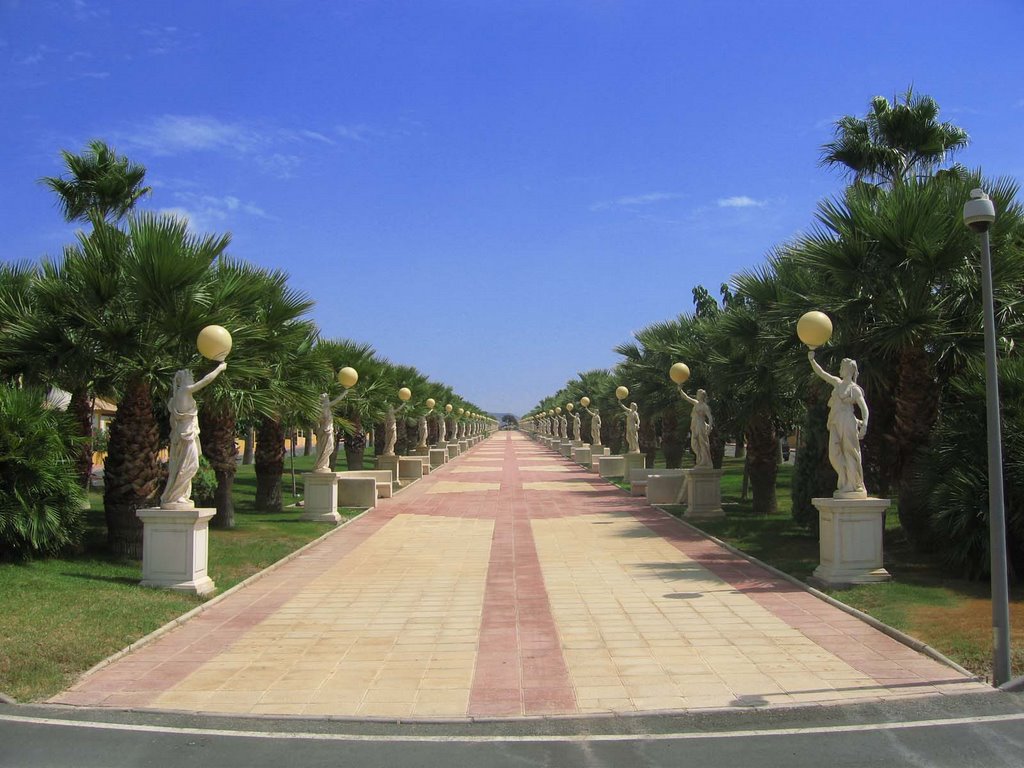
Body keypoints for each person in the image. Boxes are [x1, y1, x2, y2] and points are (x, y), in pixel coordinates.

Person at [160, 361, 227, 507]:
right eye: (190, 377)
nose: (192, 379)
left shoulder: (178, 395)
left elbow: (173, 423)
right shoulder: (184, 391)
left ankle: (180, 495)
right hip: (186, 436)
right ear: (183, 380)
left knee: (186, 465)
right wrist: (219, 369)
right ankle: (176, 495)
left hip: (185, 435)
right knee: (190, 465)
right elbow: (205, 381)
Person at [808, 350, 869, 497]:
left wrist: (865, 424)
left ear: (849, 370)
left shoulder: (854, 389)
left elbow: (864, 407)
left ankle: (854, 484)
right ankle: (845, 480)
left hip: (847, 420)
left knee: (850, 452)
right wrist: (812, 361)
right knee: (834, 453)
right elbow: (822, 373)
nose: (840, 369)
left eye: (842, 367)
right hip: (835, 421)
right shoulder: (837, 383)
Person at [312, 390, 350, 473]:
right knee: (327, 449)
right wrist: (344, 393)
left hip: (323, 430)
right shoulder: (325, 406)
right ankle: (321, 466)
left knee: (325, 449)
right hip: (327, 431)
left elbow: (316, 423)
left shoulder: (319, 409)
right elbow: (337, 401)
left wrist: (318, 431)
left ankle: (322, 465)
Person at [679, 388, 713, 468]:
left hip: (700, 425)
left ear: (702, 396)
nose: (697, 395)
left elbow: (710, 417)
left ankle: (704, 461)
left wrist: (709, 428)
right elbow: (686, 397)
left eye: (698, 394)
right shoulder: (696, 403)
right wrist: (680, 389)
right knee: (694, 444)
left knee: (702, 444)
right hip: (694, 426)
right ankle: (700, 458)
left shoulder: (705, 406)